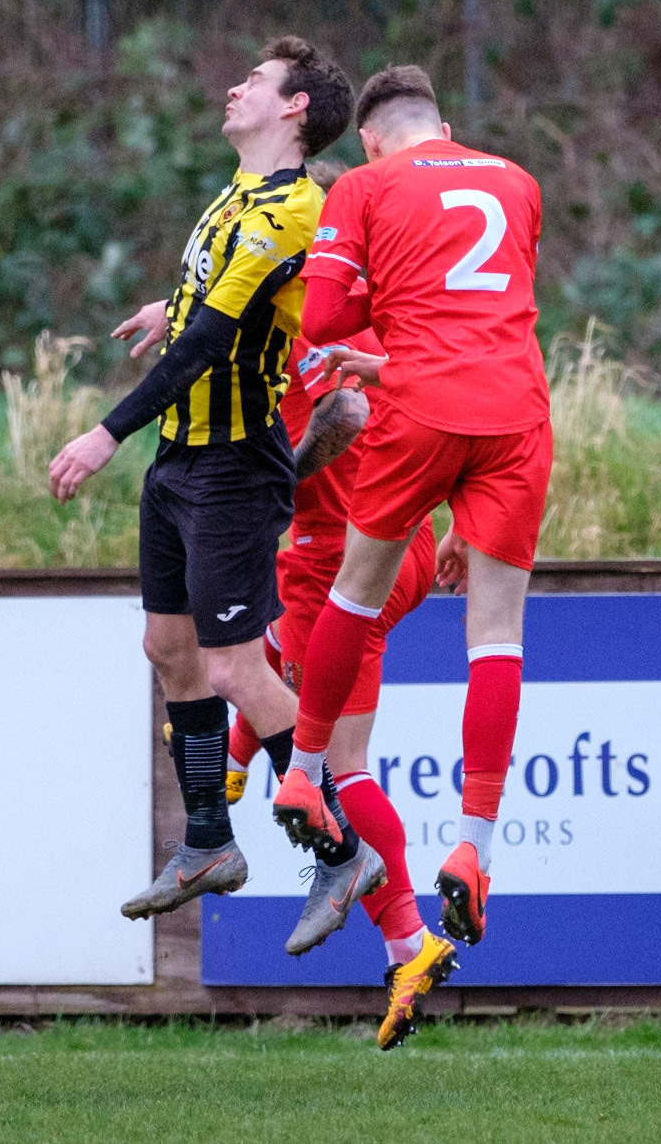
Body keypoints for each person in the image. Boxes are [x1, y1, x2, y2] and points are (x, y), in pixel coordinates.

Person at [48, 37, 385, 951]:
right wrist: (172, 302)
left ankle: (340, 849)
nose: (234, 85)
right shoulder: (237, 197)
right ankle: (207, 841)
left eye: (258, 82)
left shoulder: (294, 210)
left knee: (238, 667)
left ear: (295, 114)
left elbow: (208, 346)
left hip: (233, 465)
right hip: (181, 462)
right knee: (169, 648)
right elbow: (207, 304)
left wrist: (104, 430)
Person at [270, 63, 553, 950]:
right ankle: (475, 848)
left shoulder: (362, 186)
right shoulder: (517, 181)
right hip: (516, 412)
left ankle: (305, 772)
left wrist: (373, 324)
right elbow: (482, 318)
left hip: (423, 411)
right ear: (440, 119)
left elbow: (320, 324)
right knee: (497, 635)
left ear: (371, 136)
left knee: (354, 593)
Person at [226, 306, 458, 1049]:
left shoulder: (306, 319)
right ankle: (231, 765)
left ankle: (411, 943)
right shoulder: (365, 310)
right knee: (258, 657)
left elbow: (351, 411)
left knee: (337, 771)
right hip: (395, 537)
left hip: (344, 559)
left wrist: (274, 485)